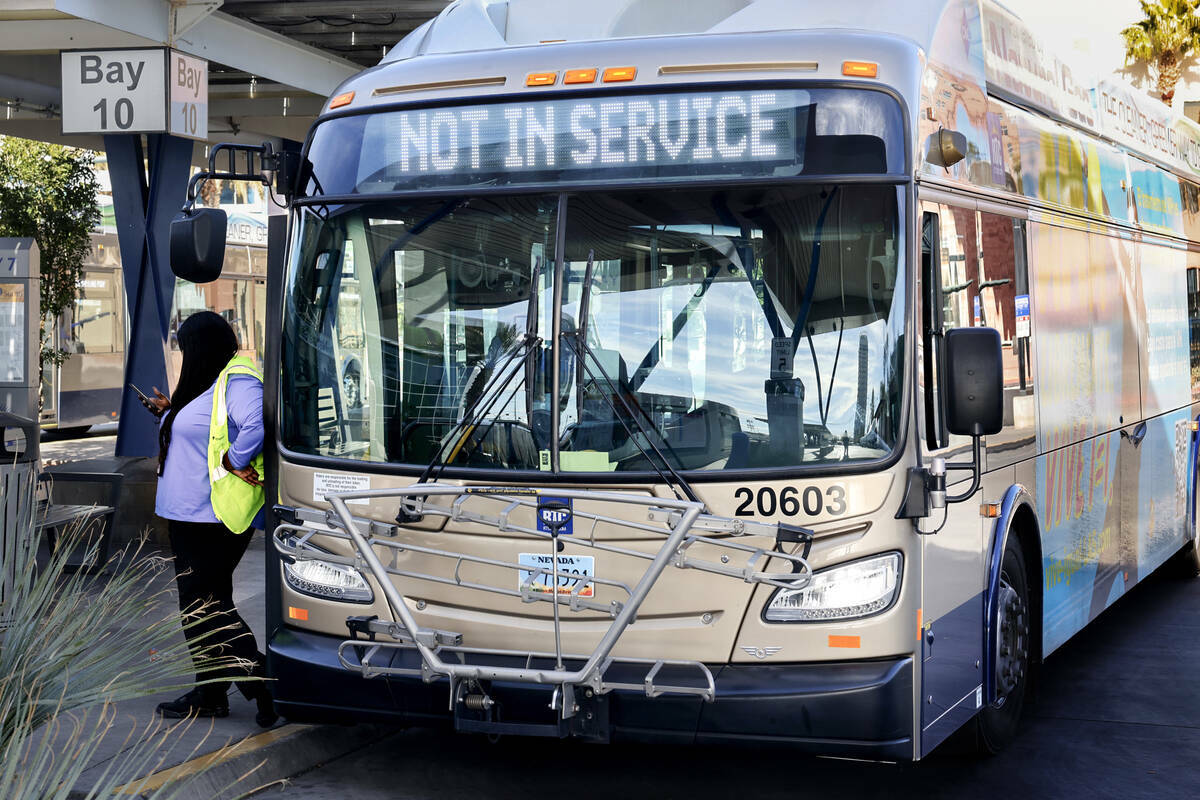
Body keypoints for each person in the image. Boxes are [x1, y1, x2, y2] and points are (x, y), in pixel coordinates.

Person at [145, 311, 277, 727]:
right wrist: (170, 414)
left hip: (211, 517)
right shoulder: (209, 385)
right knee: (203, 605)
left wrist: (233, 459)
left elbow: (256, 426)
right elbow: (203, 427)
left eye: (187, 347)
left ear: (203, 346)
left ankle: (263, 681)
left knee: (206, 608)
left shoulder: (237, 381)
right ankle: (211, 692)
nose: (183, 355)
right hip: (187, 516)